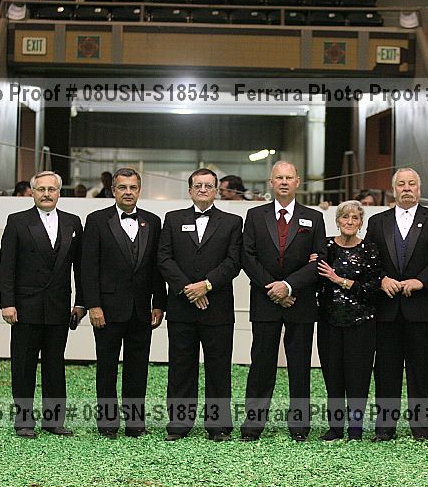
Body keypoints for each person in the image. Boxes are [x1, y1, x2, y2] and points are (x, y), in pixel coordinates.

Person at [239, 161, 327, 442]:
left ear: (298, 182)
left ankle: (299, 425)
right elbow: (247, 256)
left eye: (289, 177)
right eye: (279, 178)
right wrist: (273, 288)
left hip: (300, 302)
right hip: (264, 300)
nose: (284, 182)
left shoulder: (314, 218)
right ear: (271, 182)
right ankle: (253, 425)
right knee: (261, 364)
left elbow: (319, 260)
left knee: (299, 366)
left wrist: (288, 286)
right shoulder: (255, 215)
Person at [364, 168, 428, 441]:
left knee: (422, 369)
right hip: (386, 308)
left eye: (411, 184)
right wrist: (381, 279)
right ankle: (385, 428)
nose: (406, 188)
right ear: (393, 189)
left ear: (419, 188)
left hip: (422, 308)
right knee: (385, 370)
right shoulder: (377, 222)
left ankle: (423, 428)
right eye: (401, 184)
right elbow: (368, 259)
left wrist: (421, 281)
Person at [157, 169, 243, 442]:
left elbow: (234, 262)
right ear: (190, 190)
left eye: (208, 185)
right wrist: (189, 288)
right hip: (182, 307)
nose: (203, 189)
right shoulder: (173, 219)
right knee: (181, 366)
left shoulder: (232, 222)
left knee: (218, 368)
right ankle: (179, 424)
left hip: (217, 308)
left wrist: (206, 285)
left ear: (216, 190)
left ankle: (218, 425)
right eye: (198, 185)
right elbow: (164, 259)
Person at [0, 171, 84, 438]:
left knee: (55, 365)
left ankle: (54, 420)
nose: (47, 194)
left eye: (51, 189)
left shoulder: (72, 222)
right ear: (32, 192)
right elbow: (6, 266)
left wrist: (81, 303)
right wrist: (7, 303)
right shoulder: (17, 221)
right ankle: (23, 420)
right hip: (25, 307)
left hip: (59, 306)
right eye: (41, 189)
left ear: (59, 192)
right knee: (23, 365)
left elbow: (81, 268)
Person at [81, 168, 166, 439]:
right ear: (113, 190)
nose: (128, 192)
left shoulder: (153, 221)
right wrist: (93, 305)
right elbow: (88, 267)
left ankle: (135, 423)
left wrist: (159, 303)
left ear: (139, 190)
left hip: (141, 310)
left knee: (138, 369)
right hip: (106, 310)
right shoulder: (96, 220)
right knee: (106, 368)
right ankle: (107, 423)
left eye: (133, 187)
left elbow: (157, 268)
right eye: (122, 187)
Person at [315, 200, 381, 441]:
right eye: (345, 217)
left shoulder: (370, 249)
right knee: (332, 377)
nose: (350, 222)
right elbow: (315, 278)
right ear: (337, 221)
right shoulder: (325, 247)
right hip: (329, 322)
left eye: (355, 218)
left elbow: (372, 289)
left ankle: (355, 428)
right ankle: (335, 428)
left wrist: (339, 280)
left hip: (361, 324)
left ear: (361, 223)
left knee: (358, 378)